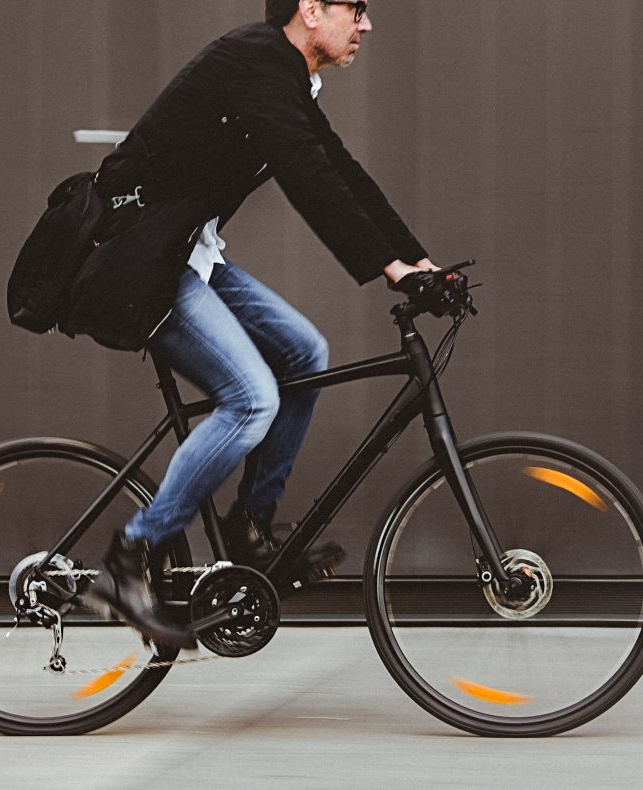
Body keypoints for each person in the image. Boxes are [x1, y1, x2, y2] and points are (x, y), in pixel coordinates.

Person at [80, 0, 439, 648]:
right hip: (143, 262)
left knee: (305, 351)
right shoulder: (254, 60)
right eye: (354, 8)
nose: (366, 24)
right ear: (309, 9)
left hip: (190, 254)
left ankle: (251, 525)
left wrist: (419, 262)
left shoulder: (282, 75)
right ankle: (127, 559)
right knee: (251, 401)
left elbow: (340, 172)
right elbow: (307, 178)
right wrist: (389, 266)